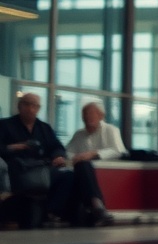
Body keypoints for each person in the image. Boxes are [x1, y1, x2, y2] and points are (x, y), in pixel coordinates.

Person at [1, 92, 108, 227]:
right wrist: (14, 147)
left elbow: (57, 146)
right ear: (19, 106)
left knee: (70, 176)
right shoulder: (5, 125)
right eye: (26, 104)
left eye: (34, 106)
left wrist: (58, 156)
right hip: (19, 170)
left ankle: (55, 212)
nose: (30, 108)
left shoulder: (44, 128)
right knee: (67, 176)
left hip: (43, 169)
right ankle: (89, 207)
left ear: (38, 109)